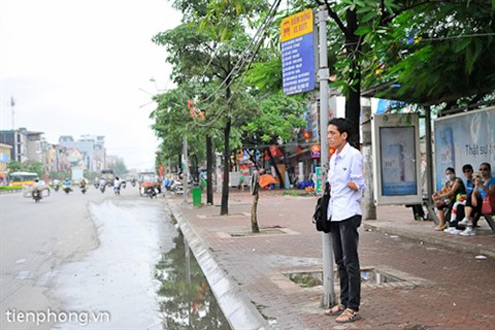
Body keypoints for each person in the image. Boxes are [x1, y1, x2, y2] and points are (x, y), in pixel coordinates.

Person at [323, 118, 365, 323]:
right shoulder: (334, 158)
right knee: (340, 260)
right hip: (334, 213)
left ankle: (353, 307)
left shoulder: (353, 155)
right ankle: (344, 301)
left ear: (344, 135)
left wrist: (353, 186)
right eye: (328, 133)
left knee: (350, 261)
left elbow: (360, 183)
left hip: (348, 213)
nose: (329, 137)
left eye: (332, 133)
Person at [460, 162, 495, 236]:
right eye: (480, 169)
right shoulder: (479, 180)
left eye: (485, 169)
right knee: (468, 204)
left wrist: (481, 186)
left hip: (487, 202)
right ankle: (467, 225)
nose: (482, 171)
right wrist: (473, 197)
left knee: (471, 206)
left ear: (489, 170)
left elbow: (490, 193)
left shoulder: (492, 180)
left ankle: (468, 225)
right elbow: (474, 192)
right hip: (478, 202)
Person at [444, 164, 475, 234]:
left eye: (468, 171)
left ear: (472, 171)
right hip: (467, 200)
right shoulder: (468, 181)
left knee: (459, 206)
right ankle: (453, 225)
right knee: (455, 204)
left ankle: (459, 227)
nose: (466, 173)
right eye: (465, 172)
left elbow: (452, 192)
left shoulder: (460, 180)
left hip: (475, 201)